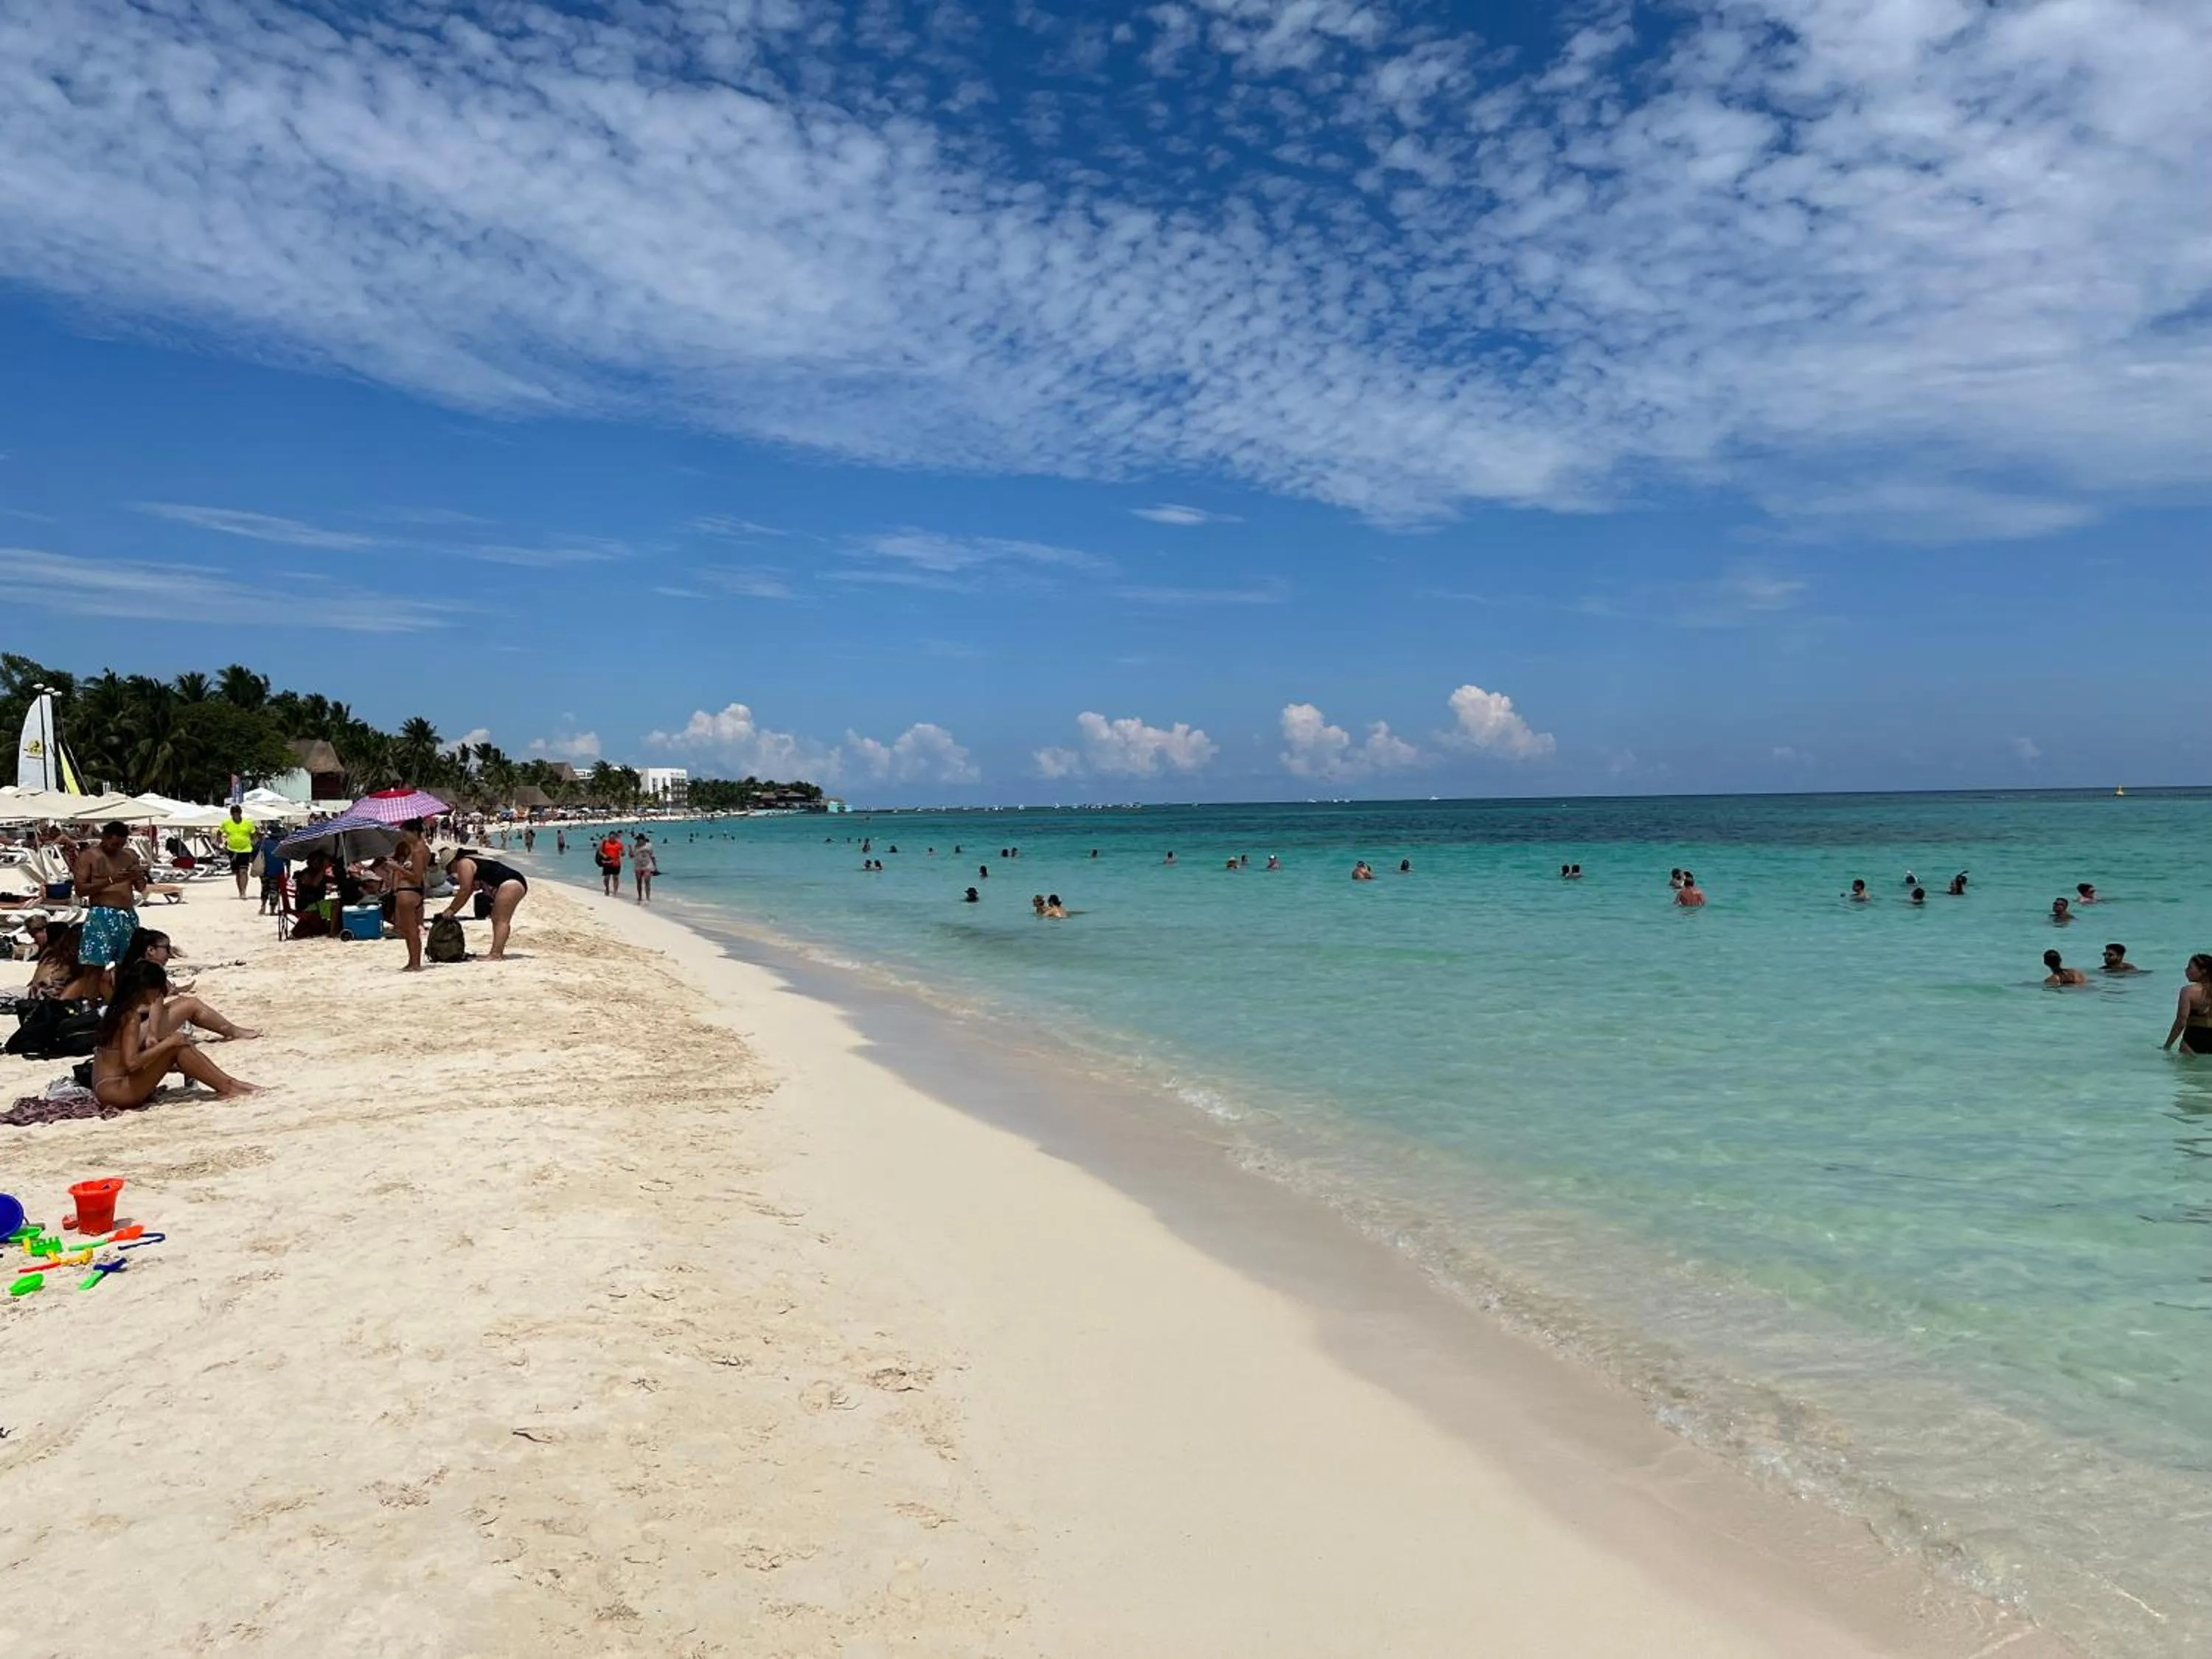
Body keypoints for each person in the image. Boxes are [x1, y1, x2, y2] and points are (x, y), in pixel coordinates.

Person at [91, 960, 255, 1106]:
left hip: (105, 1088)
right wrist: (167, 1044)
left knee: (177, 1043)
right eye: (158, 991)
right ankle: (228, 1086)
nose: (157, 997)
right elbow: (132, 1063)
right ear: (146, 988)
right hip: (117, 1092)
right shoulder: (131, 1017)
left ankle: (230, 1084)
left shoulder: (118, 1009)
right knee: (177, 1046)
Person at [114, 928, 258, 1039]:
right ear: (151, 950)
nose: (170, 954)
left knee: (186, 1003)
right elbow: (146, 1005)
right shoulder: (147, 972)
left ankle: (231, 1030)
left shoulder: (133, 967)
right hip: (136, 1032)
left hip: (124, 1030)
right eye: (167, 949)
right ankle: (233, 1031)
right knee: (191, 1004)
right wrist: (152, 1033)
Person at [69, 821, 147, 971]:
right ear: (104, 838)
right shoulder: (89, 857)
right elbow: (80, 890)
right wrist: (110, 880)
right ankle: (91, 994)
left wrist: (139, 875)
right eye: (115, 844)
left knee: (127, 962)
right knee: (95, 966)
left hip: (127, 914)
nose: (118, 848)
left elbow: (141, 887)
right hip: (102, 914)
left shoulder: (129, 855)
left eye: (122, 844)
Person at [439, 846, 529, 961]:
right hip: (513, 882)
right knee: (497, 919)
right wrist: (453, 910)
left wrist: (451, 910)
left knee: (500, 920)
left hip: (511, 883)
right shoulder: (470, 861)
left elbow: (465, 890)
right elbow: (469, 890)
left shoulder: (463, 863)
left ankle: (496, 954)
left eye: (449, 869)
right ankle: (496, 952)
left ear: (453, 862)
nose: (452, 873)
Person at [389, 818, 431, 971]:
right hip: (415, 892)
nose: (404, 837)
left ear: (414, 832)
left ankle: (415, 963)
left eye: (405, 833)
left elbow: (416, 877)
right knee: (410, 929)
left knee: (411, 929)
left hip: (409, 891)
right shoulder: (422, 849)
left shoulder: (418, 850)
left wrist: (397, 868)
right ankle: (413, 961)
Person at [2163, 955, 2212, 1055]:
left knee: (2189, 1070)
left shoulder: (2188, 991)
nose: (2186, 970)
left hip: (2193, 1040)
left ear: (2203, 971)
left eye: (2190, 967)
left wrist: (2167, 1046)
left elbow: (2181, 1022)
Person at [221, 804, 257, 899]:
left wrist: (254, 845)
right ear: (231, 814)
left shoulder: (248, 823)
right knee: (237, 872)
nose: (236, 816)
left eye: (237, 813)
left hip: (246, 850)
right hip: (232, 850)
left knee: (243, 871)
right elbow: (219, 833)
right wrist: (222, 845)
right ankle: (240, 891)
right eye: (233, 814)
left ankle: (244, 892)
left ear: (240, 813)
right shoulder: (226, 823)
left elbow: (254, 836)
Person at [255, 824, 288, 915]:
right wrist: (288, 870)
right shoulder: (281, 844)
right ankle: (272, 910)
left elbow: (254, 852)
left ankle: (263, 906)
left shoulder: (262, 842)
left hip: (264, 869)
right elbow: (287, 859)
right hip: (277, 870)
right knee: (274, 890)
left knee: (264, 888)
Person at [596, 832, 625, 896]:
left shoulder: (619, 843)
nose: (612, 839)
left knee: (616, 878)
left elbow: (623, 852)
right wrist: (604, 855)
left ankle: (615, 892)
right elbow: (599, 851)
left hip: (616, 863)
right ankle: (607, 889)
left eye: (614, 838)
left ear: (615, 837)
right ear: (609, 837)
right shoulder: (605, 842)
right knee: (606, 878)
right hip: (607, 862)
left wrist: (622, 853)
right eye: (611, 837)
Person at [633, 832, 657, 902]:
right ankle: (640, 896)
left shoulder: (649, 846)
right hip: (638, 867)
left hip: (648, 866)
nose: (637, 841)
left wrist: (655, 867)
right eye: (637, 839)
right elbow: (632, 856)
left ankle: (648, 897)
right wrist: (630, 849)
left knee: (647, 881)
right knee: (639, 882)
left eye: (639, 839)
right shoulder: (635, 846)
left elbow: (653, 857)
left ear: (643, 840)